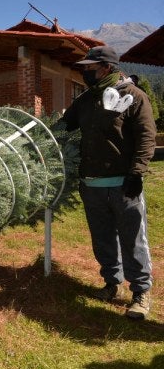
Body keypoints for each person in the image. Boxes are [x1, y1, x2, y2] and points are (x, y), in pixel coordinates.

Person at [62, 46, 156, 320]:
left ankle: (140, 292)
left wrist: (136, 173)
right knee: (102, 238)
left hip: (123, 185)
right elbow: (64, 126)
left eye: (89, 68)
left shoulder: (134, 97)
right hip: (92, 185)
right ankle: (112, 283)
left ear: (106, 68)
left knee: (133, 239)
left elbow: (146, 138)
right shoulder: (87, 100)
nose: (84, 72)